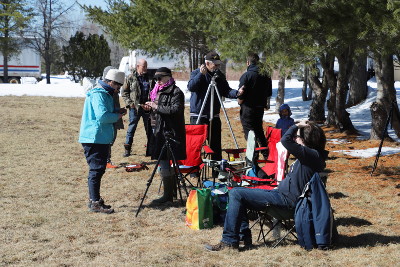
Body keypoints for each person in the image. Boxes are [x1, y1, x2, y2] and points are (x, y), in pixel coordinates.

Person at [204, 120, 328, 251]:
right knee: (239, 192)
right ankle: (241, 238)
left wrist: (296, 126)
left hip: (287, 202)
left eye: (297, 136)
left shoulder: (311, 155)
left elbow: (285, 141)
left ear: (305, 139)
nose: (295, 138)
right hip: (281, 195)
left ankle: (230, 241)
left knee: (236, 193)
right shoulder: (312, 155)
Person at [79, 69, 127, 214]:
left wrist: (117, 112)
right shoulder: (99, 94)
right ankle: (94, 203)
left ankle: (95, 199)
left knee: (98, 169)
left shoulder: (104, 93)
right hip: (95, 138)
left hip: (99, 137)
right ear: (112, 82)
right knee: (96, 170)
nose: (118, 90)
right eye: (118, 87)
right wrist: (117, 115)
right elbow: (103, 116)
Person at [187, 51, 243, 164]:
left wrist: (237, 93)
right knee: (196, 144)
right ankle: (194, 170)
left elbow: (226, 90)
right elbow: (191, 87)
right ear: (207, 63)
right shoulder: (196, 73)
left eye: (218, 64)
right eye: (215, 64)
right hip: (199, 115)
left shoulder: (219, 75)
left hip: (214, 116)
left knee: (215, 145)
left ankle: (216, 171)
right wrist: (201, 75)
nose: (217, 66)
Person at [145, 67, 186, 204]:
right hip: (158, 130)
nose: (158, 81)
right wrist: (150, 109)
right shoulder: (157, 91)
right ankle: (168, 194)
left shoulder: (176, 92)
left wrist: (156, 107)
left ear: (168, 77)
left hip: (171, 132)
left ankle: (169, 195)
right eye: (156, 78)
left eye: (160, 78)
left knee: (168, 162)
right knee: (162, 162)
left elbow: (176, 110)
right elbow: (158, 111)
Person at [237, 53, 272, 154]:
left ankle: (253, 157)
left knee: (249, 132)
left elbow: (241, 93)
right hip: (260, 107)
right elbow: (269, 93)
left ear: (248, 62)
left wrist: (240, 100)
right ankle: (266, 154)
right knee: (259, 131)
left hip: (248, 108)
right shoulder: (266, 75)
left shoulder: (246, 75)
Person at [121, 59, 151, 157]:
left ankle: (150, 150)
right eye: (144, 66)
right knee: (132, 127)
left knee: (149, 129)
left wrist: (150, 104)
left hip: (147, 108)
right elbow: (124, 93)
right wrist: (130, 104)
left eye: (146, 66)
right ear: (138, 66)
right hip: (135, 108)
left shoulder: (150, 78)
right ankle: (127, 149)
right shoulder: (130, 77)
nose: (146, 68)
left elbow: (153, 92)